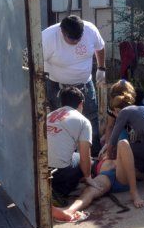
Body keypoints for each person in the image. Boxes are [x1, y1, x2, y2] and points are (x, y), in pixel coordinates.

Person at [43, 15, 106, 154]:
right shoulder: (48, 37)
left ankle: (94, 153)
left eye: (79, 38)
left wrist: (101, 68)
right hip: (57, 85)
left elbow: (100, 47)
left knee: (91, 117)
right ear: (62, 32)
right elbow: (29, 60)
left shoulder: (90, 30)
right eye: (72, 39)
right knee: (60, 121)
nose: (76, 41)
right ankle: (64, 157)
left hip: (84, 83)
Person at [54, 138, 144, 223]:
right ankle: (68, 210)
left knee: (123, 143)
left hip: (121, 175)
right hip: (105, 177)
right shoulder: (95, 162)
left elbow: (138, 174)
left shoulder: (119, 155)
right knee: (90, 191)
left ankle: (134, 192)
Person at [46, 86, 93, 207]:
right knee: (90, 162)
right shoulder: (83, 121)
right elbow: (84, 157)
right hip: (59, 173)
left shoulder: (48, 115)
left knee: (72, 157)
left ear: (62, 102)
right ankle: (59, 192)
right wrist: (89, 178)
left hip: (39, 169)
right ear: (81, 103)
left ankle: (49, 188)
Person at [100, 79, 144, 147]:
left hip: (143, 128)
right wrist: (107, 145)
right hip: (122, 127)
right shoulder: (113, 102)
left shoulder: (141, 96)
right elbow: (110, 126)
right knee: (107, 140)